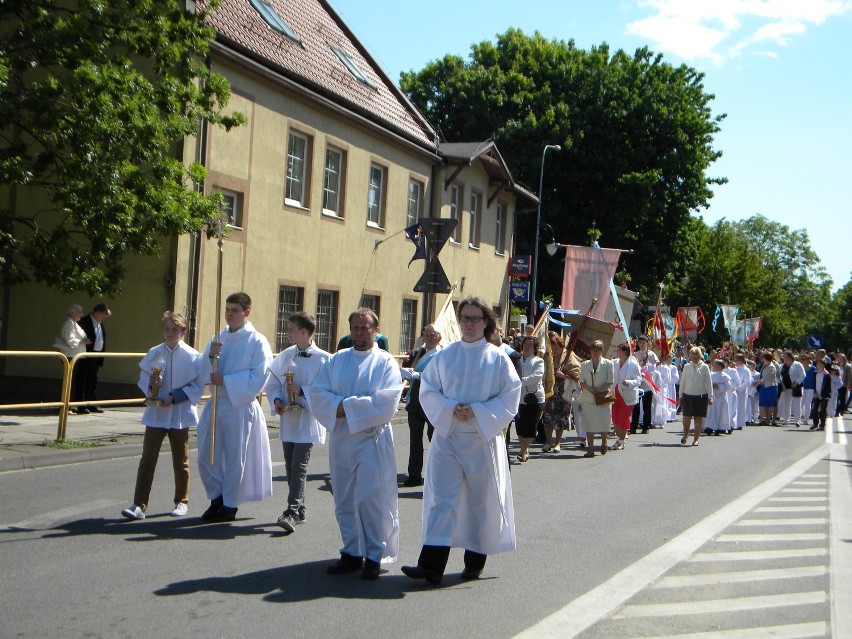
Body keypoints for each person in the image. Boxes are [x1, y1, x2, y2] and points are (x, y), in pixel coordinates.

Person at [401, 297, 520, 585]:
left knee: (479, 502)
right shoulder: (445, 355)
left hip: (481, 439)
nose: (469, 324)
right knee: (442, 500)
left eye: (475, 318)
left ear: (485, 322)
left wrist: (478, 412)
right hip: (449, 436)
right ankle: (431, 565)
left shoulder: (498, 357)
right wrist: (450, 408)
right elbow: (428, 389)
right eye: (464, 318)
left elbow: (510, 396)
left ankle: (474, 562)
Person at [305, 308, 403, 580]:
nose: (359, 333)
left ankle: (374, 553)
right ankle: (351, 551)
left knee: (371, 498)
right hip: (341, 439)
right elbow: (317, 393)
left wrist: (342, 405)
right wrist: (342, 406)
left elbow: (386, 402)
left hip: (371, 438)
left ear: (376, 329)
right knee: (344, 497)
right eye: (355, 328)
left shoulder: (385, 363)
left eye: (365, 328)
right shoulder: (337, 360)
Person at [197, 292, 274, 523]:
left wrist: (227, 381)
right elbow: (202, 369)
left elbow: (259, 376)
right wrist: (210, 356)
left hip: (239, 405)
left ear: (246, 312)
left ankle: (229, 505)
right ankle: (216, 496)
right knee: (205, 455)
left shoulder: (257, 341)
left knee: (234, 457)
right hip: (216, 403)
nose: (229, 314)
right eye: (227, 309)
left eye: (234, 310)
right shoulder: (218, 338)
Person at [121, 312, 204, 520]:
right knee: (148, 459)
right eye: (167, 329)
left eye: (175, 329)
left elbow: (197, 385)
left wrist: (175, 397)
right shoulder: (154, 352)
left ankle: (181, 501)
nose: (170, 333)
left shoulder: (193, 356)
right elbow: (143, 377)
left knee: (180, 460)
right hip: (156, 413)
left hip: (179, 413)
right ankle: (139, 504)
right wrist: (152, 388)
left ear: (183, 332)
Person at [266, 312, 330, 533]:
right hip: (289, 419)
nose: (288, 332)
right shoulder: (285, 355)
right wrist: (276, 400)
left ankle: (291, 511)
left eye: (291, 328)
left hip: (308, 421)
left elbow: (325, 391)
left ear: (304, 332)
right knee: (289, 466)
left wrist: (302, 391)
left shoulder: (323, 359)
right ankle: (300, 507)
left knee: (299, 467)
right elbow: (273, 381)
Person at [399, 324, 442, 487]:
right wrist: (405, 372)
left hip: (433, 401)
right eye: (427, 335)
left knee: (435, 439)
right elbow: (408, 368)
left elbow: (438, 376)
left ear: (439, 338)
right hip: (415, 401)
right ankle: (414, 475)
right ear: (423, 337)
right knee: (415, 440)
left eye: (433, 335)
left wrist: (417, 375)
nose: (430, 337)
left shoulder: (441, 355)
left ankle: (435, 475)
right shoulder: (417, 353)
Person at [542, 333, 579, 454]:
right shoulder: (548, 358)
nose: (554, 350)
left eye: (557, 348)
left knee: (560, 419)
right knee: (547, 417)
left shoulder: (569, 357)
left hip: (564, 392)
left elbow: (577, 374)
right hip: (550, 391)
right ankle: (548, 442)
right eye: (553, 347)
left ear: (562, 347)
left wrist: (564, 375)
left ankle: (557, 443)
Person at [577, 340, 614, 457]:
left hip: (603, 396)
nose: (595, 351)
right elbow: (581, 381)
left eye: (597, 349)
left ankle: (604, 442)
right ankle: (591, 448)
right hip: (588, 397)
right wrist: (589, 388)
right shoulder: (584, 364)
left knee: (604, 421)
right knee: (589, 423)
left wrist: (598, 389)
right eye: (593, 349)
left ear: (602, 351)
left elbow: (610, 381)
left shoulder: (608, 364)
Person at [75, 303, 111, 414]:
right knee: (82, 381)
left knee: (92, 382)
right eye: (104, 315)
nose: (105, 317)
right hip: (85, 356)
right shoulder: (84, 321)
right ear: (97, 312)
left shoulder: (100, 323)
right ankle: (80, 406)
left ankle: (91, 404)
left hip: (96, 356)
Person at [513, 335, 545, 463]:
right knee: (520, 426)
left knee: (531, 426)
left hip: (534, 397)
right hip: (518, 398)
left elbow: (536, 377)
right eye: (525, 344)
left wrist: (518, 381)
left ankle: (523, 450)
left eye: (530, 345)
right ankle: (524, 448)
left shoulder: (538, 361)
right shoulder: (517, 360)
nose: (527, 347)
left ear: (535, 348)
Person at [610, 342, 642, 450]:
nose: (616, 352)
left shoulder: (633, 364)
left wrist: (628, 382)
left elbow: (639, 380)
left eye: (618, 350)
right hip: (615, 393)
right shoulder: (614, 362)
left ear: (624, 352)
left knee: (623, 417)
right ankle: (619, 439)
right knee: (615, 418)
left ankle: (621, 441)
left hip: (627, 395)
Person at [679, 346, 713, 446]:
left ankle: (696, 439)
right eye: (692, 357)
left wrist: (710, 396)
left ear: (700, 356)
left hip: (701, 396)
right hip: (688, 395)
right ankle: (685, 434)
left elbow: (709, 382)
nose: (694, 359)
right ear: (689, 356)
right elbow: (683, 381)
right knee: (686, 417)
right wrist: (680, 394)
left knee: (698, 418)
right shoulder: (686, 366)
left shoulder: (705, 367)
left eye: (696, 357)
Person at [630, 335, 658, 433]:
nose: (642, 345)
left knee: (647, 406)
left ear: (647, 343)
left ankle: (646, 426)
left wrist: (645, 369)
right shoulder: (634, 354)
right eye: (640, 343)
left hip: (647, 383)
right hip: (637, 382)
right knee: (636, 405)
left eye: (643, 343)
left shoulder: (651, 354)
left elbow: (654, 367)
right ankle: (633, 426)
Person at [777, 351, 805, 426]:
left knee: (797, 404)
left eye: (785, 356)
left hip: (796, 387)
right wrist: (782, 384)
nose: (784, 358)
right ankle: (786, 420)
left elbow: (803, 375)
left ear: (790, 357)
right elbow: (779, 376)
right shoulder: (782, 366)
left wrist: (796, 382)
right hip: (786, 387)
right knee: (787, 404)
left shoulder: (797, 364)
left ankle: (797, 421)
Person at [706, 359, 732, 435]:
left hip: (721, 397)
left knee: (721, 412)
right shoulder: (711, 375)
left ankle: (720, 427)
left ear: (720, 366)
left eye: (715, 365)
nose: (713, 366)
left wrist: (719, 386)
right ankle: (710, 426)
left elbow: (728, 387)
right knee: (712, 412)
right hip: (713, 395)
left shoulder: (725, 376)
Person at [809, 358, 831, 431]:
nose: (818, 365)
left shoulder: (827, 374)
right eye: (817, 364)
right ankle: (815, 423)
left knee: (822, 410)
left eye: (820, 364)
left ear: (823, 365)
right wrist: (815, 392)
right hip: (817, 394)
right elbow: (815, 383)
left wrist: (823, 395)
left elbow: (828, 386)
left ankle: (822, 425)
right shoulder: (816, 373)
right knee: (815, 409)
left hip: (823, 395)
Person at [758, 351, 779, 425]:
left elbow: (768, 377)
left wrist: (759, 382)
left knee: (769, 404)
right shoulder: (764, 365)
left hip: (770, 387)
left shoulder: (772, 367)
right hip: (764, 386)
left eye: (763, 357)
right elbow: (761, 375)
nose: (762, 359)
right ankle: (761, 420)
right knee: (762, 403)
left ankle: (767, 420)